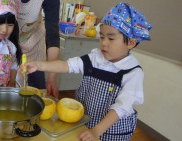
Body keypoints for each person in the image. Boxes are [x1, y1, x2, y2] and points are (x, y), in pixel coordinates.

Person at [21, 2, 152, 141]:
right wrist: (39, 65)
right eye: (101, 37)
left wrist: (97, 131)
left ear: (131, 43)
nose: (104, 43)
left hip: (112, 133)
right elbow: (67, 65)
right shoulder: (95, 57)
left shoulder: (133, 72)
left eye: (111, 38)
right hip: (86, 123)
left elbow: (121, 108)